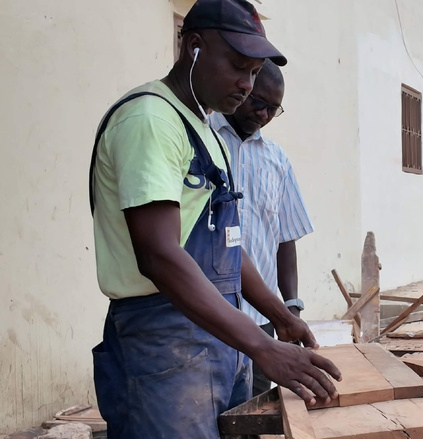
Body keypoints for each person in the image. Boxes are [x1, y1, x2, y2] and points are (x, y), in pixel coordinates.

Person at [88, 0, 340, 437]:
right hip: (163, 341)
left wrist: (279, 315)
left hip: (221, 333)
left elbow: (227, 247)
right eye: (238, 67)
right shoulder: (151, 120)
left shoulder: (205, 130)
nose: (246, 84)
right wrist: (261, 346)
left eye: (254, 73)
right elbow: (159, 255)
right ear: (194, 47)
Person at [210, 62, 314, 396]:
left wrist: (290, 308)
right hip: (207, 316)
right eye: (258, 102)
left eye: (273, 109)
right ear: (243, 88)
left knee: (253, 411)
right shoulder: (202, 139)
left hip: (261, 320)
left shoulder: (277, 160)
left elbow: (285, 238)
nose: (264, 114)